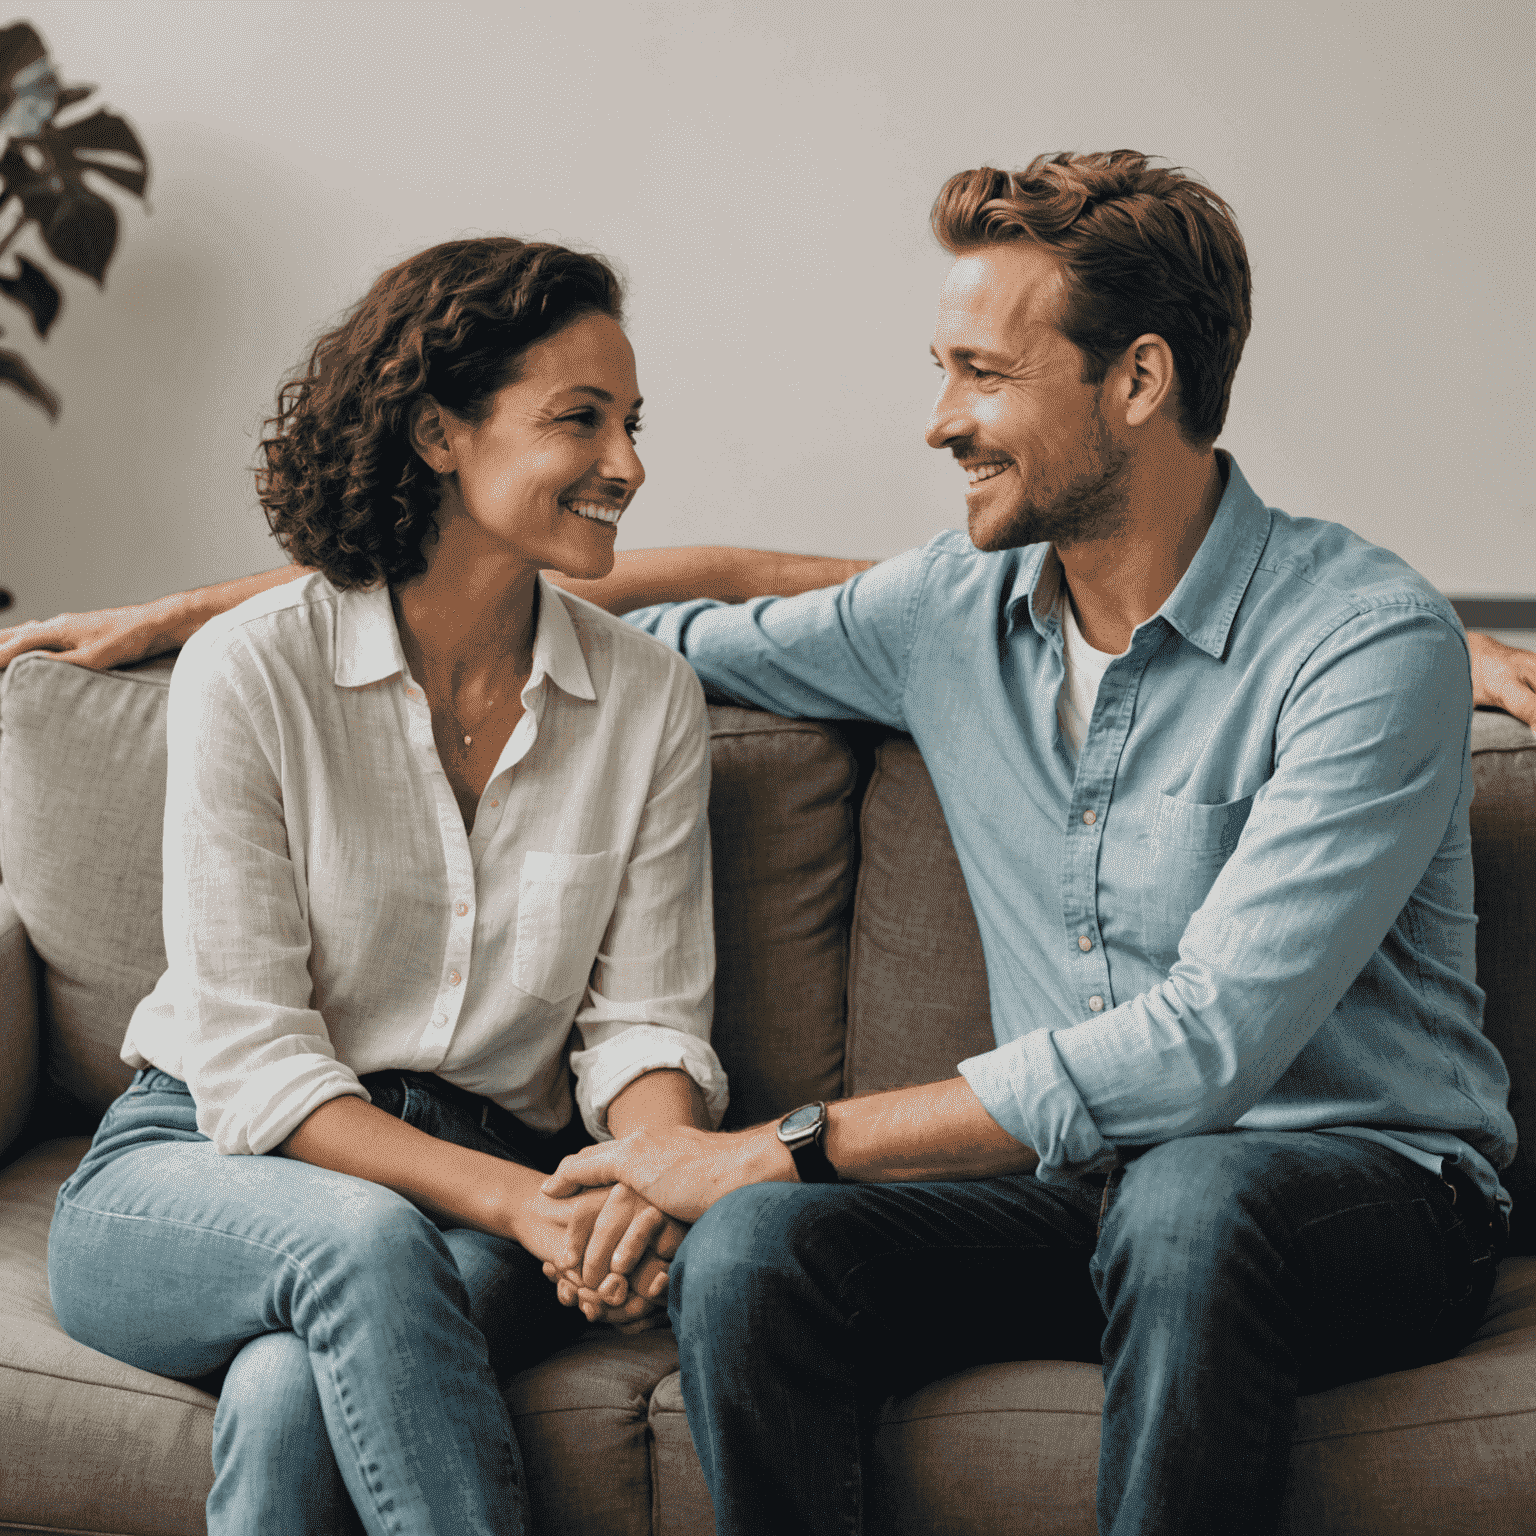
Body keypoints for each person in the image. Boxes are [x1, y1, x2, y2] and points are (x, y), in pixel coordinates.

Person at [1, 152, 1522, 1534]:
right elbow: (593, 591)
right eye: (943, 369)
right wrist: (218, 606)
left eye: (981, 373)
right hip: (1078, 1193)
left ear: (1138, 378)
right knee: (749, 1259)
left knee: (1187, 1195)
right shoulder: (953, 616)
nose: (937, 419)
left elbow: (1209, 1048)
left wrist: (777, 1146)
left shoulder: (1362, 644)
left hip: (1349, 1187)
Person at [41, 237, 729, 1536]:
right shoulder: (252, 669)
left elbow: (640, 1022)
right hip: (195, 1161)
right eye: (579, 420)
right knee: (358, 1244)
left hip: (477, 1184)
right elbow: (250, 1058)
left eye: (632, 423)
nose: (629, 465)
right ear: (437, 432)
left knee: (293, 1396)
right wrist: (533, 1206)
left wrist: (648, 1179)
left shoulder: (647, 699)